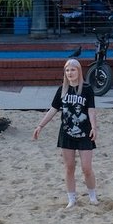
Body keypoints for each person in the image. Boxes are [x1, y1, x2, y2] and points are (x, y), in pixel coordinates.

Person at [33, 59, 99, 208]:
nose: (70, 73)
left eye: (73, 70)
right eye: (67, 70)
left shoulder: (87, 89)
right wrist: (40, 126)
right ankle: (71, 199)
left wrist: (94, 128)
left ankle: (93, 196)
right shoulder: (62, 90)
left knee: (86, 168)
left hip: (84, 134)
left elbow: (91, 110)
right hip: (66, 134)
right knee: (69, 167)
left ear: (79, 71)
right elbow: (53, 110)